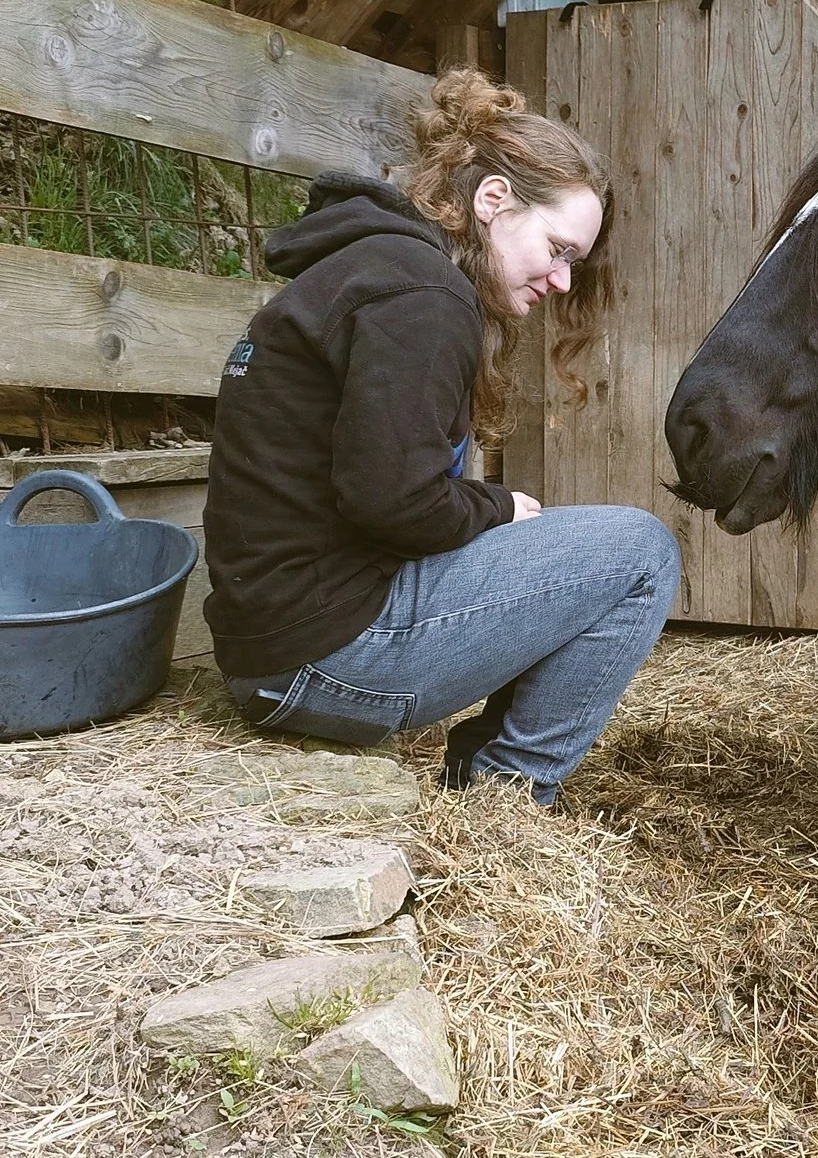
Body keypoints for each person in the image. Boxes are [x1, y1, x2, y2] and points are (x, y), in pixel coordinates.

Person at [203, 68, 678, 803]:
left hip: (272, 651)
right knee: (642, 551)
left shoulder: (372, 270)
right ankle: (506, 800)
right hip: (324, 658)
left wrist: (490, 514)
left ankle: (490, 775)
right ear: (493, 201)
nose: (561, 282)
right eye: (558, 249)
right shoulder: (422, 295)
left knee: (553, 543)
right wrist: (497, 507)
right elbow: (392, 501)